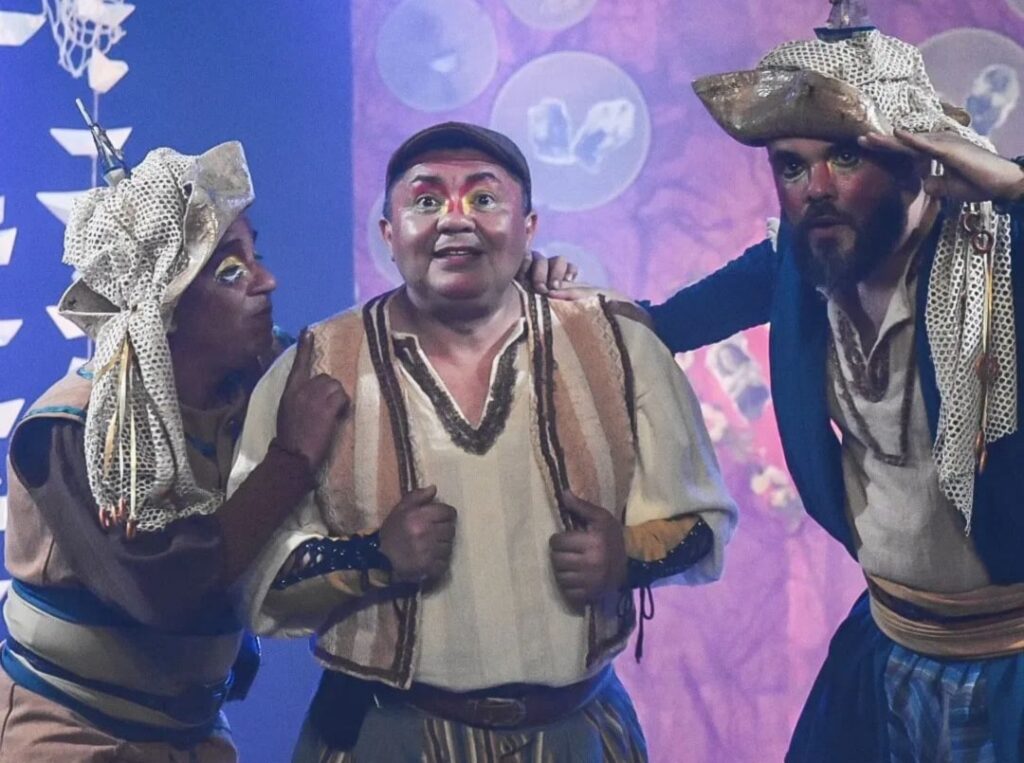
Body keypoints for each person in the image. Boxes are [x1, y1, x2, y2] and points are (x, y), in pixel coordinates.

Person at [231, 122, 737, 762]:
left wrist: (626, 558)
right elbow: (252, 572)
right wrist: (372, 556)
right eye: (425, 200)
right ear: (388, 233)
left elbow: (704, 522)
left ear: (528, 228)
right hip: (386, 734)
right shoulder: (314, 366)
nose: (455, 219)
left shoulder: (618, 346)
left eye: (484, 198)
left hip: (577, 732)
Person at [620, 23, 1024, 763]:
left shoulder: (1000, 252)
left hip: (1013, 665)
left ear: (916, 159)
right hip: (890, 642)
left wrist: (1019, 190)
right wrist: (550, 295)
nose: (817, 190)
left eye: (845, 156)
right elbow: (657, 325)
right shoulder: (798, 261)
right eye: (792, 166)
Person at [1, 139, 347, 761]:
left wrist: (521, 293)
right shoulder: (75, 429)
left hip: (193, 735)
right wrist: (290, 460)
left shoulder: (252, 387)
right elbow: (165, 586)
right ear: (165, 305)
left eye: (257, 256)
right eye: (231, 271)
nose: (268, 281)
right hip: (69, 733)